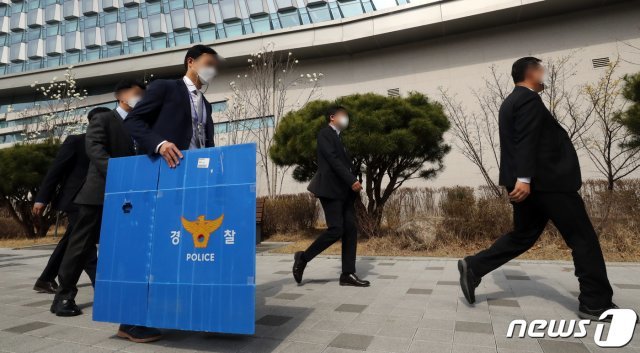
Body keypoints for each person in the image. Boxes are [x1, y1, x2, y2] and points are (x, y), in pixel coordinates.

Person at [457, 57, 616, 321]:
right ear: (530, 72)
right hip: (547, 183)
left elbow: (519, 141)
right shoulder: (528, 100)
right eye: (541, 69)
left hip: (530, 183)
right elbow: (527, 139)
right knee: (583, 239)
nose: (544, 74)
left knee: (524, 235)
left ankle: (474, 266)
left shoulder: (510, 102)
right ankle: (596, 303)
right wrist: (525, 178)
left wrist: (521, 179)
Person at [50, 79, 162, 343]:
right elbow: (95, 150)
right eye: (137, 95)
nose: (141, 100)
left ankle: (126, 299)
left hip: (133, 197)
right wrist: (119, 175)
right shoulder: (104, 119)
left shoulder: (142, 124)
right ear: (122, 97)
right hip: (99, 193)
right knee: (80, 247)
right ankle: (64, 295)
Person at [32, 107, 110, 293]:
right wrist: (41, 198)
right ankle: (101, 284)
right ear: (92, 123)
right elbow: (55, 171)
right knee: (86, 242)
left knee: (71, 240)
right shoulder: (76, 141)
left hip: (95, 200)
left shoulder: (110, 145)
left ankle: (45, 279)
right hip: (75, 200)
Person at [292, 106, 369, 287]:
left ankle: (347, 274)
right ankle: (302, 258)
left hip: (345, 192)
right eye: (343, 116)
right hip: (331, 190)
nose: (346, 119)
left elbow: (342, 162)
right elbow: (333, 160)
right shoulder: (325, 134)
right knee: (336, 230)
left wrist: (353, 180)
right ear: (332, 117)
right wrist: (352, 179)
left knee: (350, 230)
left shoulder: (338, 138)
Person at [124, 44, 219, 165]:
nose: (212, 71)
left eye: (215, 67)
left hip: (198, 167)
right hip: (168, 165)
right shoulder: (165, 87)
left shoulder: (206, 104)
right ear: (191, 62)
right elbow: (132, 121)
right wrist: (159, 144)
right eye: (209, 64)